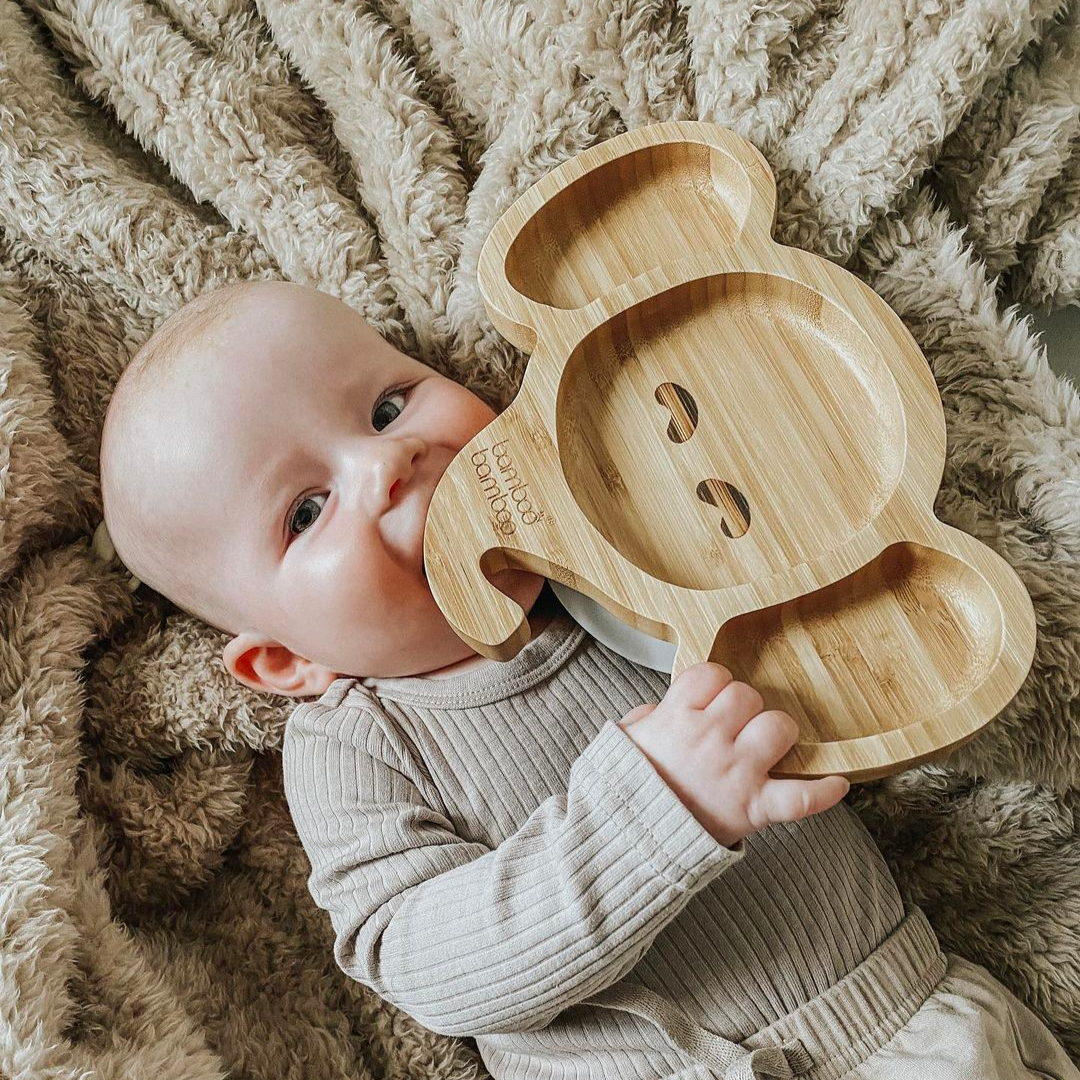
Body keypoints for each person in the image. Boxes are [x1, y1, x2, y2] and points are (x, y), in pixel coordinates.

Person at [97, 279, 1079, 1080]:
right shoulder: (359, 742)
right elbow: (429, 967)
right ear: (285, 660)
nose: (387, 462)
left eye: (389, 405)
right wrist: (653, 810)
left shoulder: (618, 549)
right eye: (307, 511)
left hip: (910, 1026)